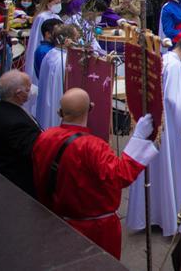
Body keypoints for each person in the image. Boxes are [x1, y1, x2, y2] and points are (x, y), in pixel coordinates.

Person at [32, 88, 158, 259]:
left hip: (56, 219)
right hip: (95, 229)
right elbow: (120, 175)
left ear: (60, 112)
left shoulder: (44, 137)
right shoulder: (92, 146)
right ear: (90, 108)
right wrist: (138, 139)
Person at [128, 35, 181, 235]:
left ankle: (156, 213)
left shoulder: (165, 59)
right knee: (172, 168)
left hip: (158, 123)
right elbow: (174, 100)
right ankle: (169, 215)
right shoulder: (176, 66)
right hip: (172, 129)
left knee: (158, 170)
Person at [0, 70, 40, 195]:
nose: (30, 91)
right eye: (28, 89)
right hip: (17, 184)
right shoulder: (17, 124)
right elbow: (34, 152)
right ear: (18, 94)